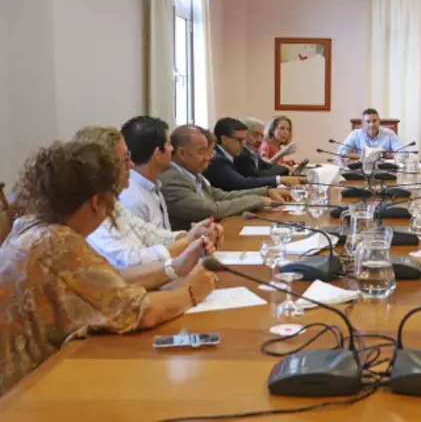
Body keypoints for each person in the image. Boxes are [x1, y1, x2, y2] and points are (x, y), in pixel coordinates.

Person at [0, 141, 217, 397]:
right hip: (28, 395)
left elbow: (105, 281)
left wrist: (175, 268)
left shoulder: (29, 227)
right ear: (96, 202)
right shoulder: (58, 244)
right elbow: (139, 312)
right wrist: (192, 291)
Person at [78, 125, 220, 273]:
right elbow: (130, 265)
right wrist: (190, 242)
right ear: (103, 167)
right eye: (125, 159)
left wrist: (195, 235)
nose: (131, 165)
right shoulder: (94, 211)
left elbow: (149, 234)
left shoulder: (113, 204)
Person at [160, 125, 290, 231]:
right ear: (182, 153)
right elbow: (210, 210)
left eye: (208, 151)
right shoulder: (172, 179)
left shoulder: (192, 173)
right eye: (202, 152)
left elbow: (221, 196)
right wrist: (259, 200)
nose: (208, 157)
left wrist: (266, 191)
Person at [203, 117, 303, 191]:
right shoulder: (218, 159)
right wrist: (280, 180)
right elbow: (242, 183)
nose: (243, 143)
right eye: (240, 140)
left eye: (262, 136)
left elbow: (267, 166)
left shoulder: (232, 155)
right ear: (225, 139)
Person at [335, 108, 403, 160]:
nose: (371, 124)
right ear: (363, 123)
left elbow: (403, 153)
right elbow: (340, 151)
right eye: (368, 121)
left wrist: (383, 155)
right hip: (361, 169)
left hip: (384, 170)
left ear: (379, 121)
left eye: (374, 121)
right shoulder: (355, 134)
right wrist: (362, 156)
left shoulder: (389, 134)